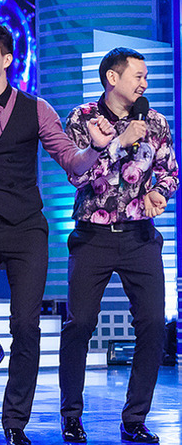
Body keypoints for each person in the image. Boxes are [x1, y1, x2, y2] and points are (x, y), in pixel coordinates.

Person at [0, 20, 113, 445]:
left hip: (25, 228)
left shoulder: (36, 108)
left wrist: (95, 148)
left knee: (25, 326)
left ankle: (14, 423)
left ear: (7, 59)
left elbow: (71, 162)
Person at [57, 47, 178, 444]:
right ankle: (71, 417)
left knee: (152, 325)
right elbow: (79, 177)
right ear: (112, 78)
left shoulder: (154, 121)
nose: (145, 83)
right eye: (138, 76)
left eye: (146, 77)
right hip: (92, 236)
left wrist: (159, 192)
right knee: (79, 324)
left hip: (140, 237)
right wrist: (118, 143)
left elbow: (170, 172)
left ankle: (134, 419)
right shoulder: (83, 118)